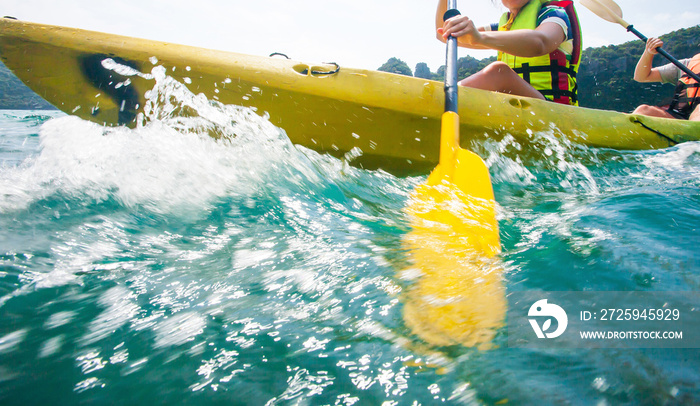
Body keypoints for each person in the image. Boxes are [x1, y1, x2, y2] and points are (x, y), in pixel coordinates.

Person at [435, 0, 582, 105]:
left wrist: (479, 37)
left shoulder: (555, 15)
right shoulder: (503, 26)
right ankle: (439, 103)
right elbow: (443, 34)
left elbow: (540, 42)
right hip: (516, 106)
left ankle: (440, 102)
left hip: (555, 111)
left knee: (499, 72)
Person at [632, 37, 700, 121]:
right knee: (643, 110)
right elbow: (641, 76)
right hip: (678, 119)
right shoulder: (685, 65)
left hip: (696, 122)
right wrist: (648, 52)